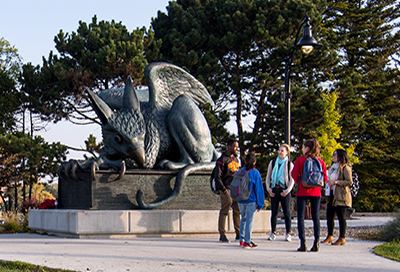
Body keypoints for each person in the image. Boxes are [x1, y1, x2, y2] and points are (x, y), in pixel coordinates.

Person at [291, 139, 328, 252]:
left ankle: (303, 243)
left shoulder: (300, 160)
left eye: (303, 147)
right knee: (316, 217)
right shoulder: (320, 162)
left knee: (301, 217)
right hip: (316, 192)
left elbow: (293, 174)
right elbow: (325, 178)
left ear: (307, 148)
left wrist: (301, 182)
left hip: (302, 191)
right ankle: (316, 243)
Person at [322, 149, 353, 246]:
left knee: (341, 217)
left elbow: (349, 182)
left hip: (341, 195)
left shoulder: (345, 168)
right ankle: (330, 235)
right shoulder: (332, 168)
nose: (333, 156)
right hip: (332, 194)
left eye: (335, 155)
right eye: (333, 154)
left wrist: (336, 182)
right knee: (329, 215)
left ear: (340, 156)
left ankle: (342, 237)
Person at [265, 144, 295, 242]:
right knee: (274, 212)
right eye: (279, 150)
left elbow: (292, 179)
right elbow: (268, 176)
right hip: (274, 188)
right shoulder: (273, 162)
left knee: (287, 212)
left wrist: (287, 190)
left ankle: (288, 233)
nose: (280, 152)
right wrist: (269, 188)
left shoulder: (289, 164)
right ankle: (273, 232)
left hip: (284, 189)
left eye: (282, 151)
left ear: (287, 152)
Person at [215, 138, 241, 243]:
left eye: (237, 147)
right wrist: (224, 189)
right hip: (226, 188)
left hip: (236, 189)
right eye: (235, 146)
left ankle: (238, 233)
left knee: (237, 211)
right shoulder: (221, 160)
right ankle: (222, 233)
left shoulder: (236, 160)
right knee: (225, 211)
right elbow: (218, 177)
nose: (236, 149)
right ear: (229, 146)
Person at [238, 152, 265, 249]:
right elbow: (258, 189)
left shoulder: (240, 171)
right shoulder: (255, 173)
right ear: (254, 162)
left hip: (240, 200)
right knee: (249, 221)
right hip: (251, 200)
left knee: (243, 220)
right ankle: (247, 241)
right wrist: (260, 203)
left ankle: (241, 239)